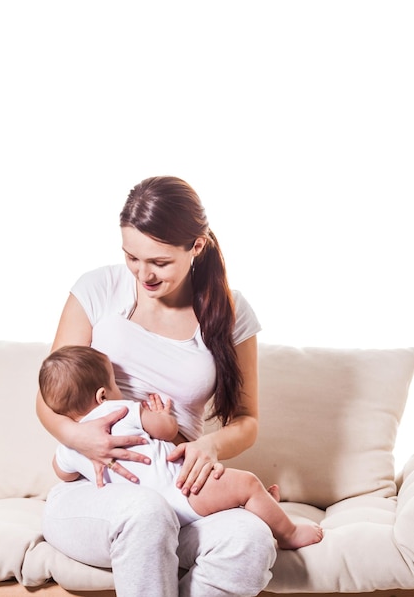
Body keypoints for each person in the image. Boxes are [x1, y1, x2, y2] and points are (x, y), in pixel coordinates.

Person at [36, 175, 277, 597]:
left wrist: (212, 447)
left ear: (196, 247)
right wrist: (82, 439)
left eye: (159, 262)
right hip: (96, 495)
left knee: (250, 540)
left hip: (178, 488)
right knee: (145, 512)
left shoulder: (230, 311)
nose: (143, 273)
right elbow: (47, 398)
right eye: (132, 257)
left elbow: (247, 418)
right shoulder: (98, 289)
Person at [39, 345, 324, 549]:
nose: (119, 389)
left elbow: (62, 473)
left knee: (234, 493)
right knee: (247, 483)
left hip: (143, 513)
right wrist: (161, 415)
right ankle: (288, 533)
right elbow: (167, 431)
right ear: (102, 395)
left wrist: (75, 451)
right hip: (180, 491)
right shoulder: (120, 408)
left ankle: (260, 511)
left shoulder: (72, 446)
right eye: (115, 382)